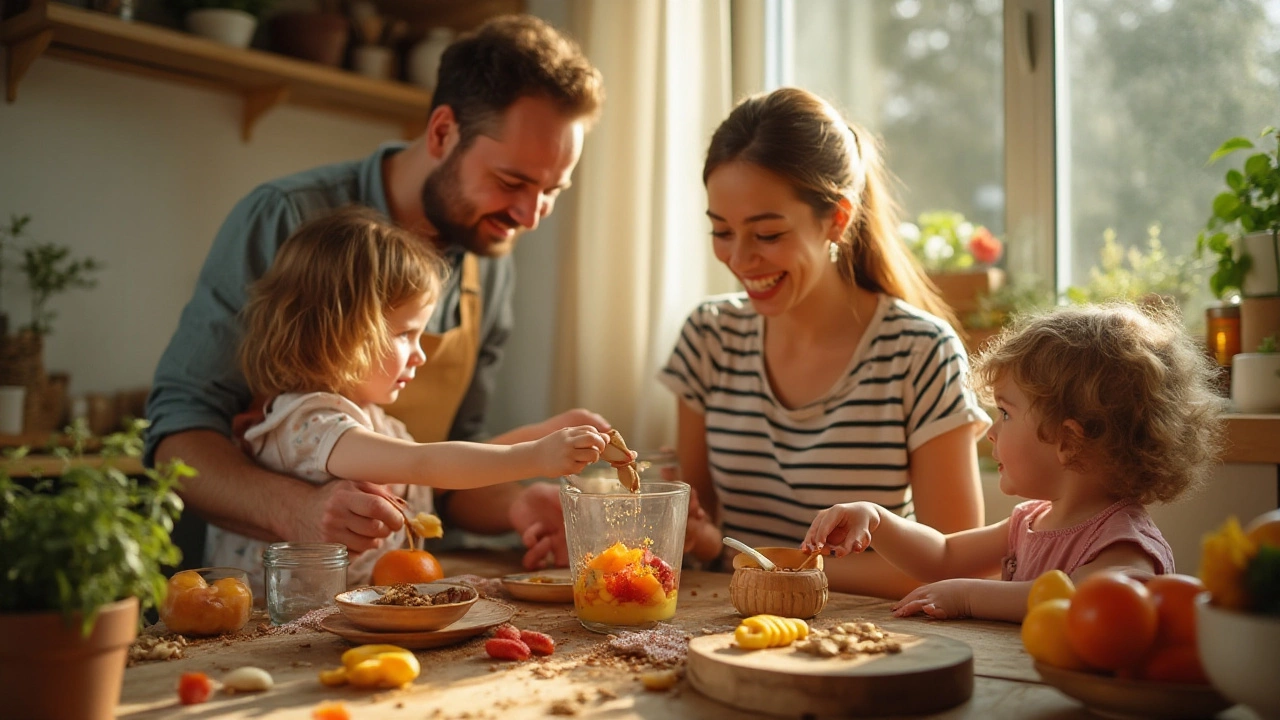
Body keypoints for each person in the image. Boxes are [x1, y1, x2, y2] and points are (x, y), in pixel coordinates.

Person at [145, 15, 606, 571]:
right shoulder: (287, 217)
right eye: (512, 182)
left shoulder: (490, 252)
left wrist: (519, 501)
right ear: (442, 132)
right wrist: (300, 511)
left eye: (552, 190)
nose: (530, 216)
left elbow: (444, 471)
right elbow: (178, 436)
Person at [659, 87, 991, 598]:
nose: (740, 259)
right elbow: (694, 531)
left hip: (869, 642)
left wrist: (749, 566)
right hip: (730, 627)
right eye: (721, 231)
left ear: (836, 218)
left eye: (767, 234)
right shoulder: (709, 337)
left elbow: (958, 565)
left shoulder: (919, 352)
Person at [215, 207, 610, 588]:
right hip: (268, 623)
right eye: (405, 334)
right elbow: (424, 464)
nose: (420, 354)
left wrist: (543, 433)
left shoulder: (376, 423)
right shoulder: (309, 422)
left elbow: (443, 479)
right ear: (340, 330)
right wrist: (534, 456)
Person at [802, 303, 1224, 622]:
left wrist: (969, 596)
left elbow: (1075, 600)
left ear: (1068, 441)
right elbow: (943, 556)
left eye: (1005, 413)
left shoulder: (1124, 543)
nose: (991, 430)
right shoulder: (1030, 522)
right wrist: (876, 520)